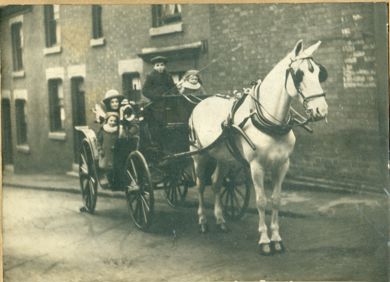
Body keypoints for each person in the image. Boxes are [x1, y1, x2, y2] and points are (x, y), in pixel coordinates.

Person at [142, 56, 178, 150]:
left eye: (162, 65)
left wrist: (173, 93)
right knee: (157, 126)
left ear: (164, 66)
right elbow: (145, 91)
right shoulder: (150, 76)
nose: (160, 67)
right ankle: (158, 144)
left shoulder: (168, 76)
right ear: (154, 67)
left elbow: (173, 88)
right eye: (157, 65)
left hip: (168, 103)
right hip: (156, 105)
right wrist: (156, 96)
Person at [97, 112, 119, 185]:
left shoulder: (118, 130)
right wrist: (100, 149)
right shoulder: (103, 130)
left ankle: (114, 181)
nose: (113, 123)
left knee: (114, 165)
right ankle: (107, 179)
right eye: (111, 120)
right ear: (107, 121)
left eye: (115, 121)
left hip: (115, 150)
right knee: (106, 166)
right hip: (106, 150)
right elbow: (99, 141)